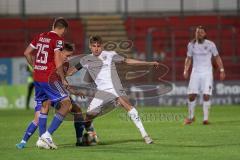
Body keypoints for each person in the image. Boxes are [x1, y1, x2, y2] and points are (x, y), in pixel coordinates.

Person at [68, 35, 160, 144]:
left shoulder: (110, 55)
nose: (96, 48)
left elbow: (128, 61)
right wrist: (59, 74)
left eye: (98, 46)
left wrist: (149, 63)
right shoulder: (85, 59)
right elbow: (71, 71)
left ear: (102, 46)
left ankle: (145, 135)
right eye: (94, 46)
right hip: (101, 93)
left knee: (128, 106)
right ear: (90, 47)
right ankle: (91, 133)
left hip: (115, 89)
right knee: (88, 116)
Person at [16, 42, 88, 149]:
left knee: (77, 110)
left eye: (69, 56)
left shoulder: (64, 64)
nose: (67, 59)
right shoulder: (51, 63)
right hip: (48, 92)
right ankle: (27, 140)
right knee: (38, 117)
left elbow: (65, 79)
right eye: (66, 56)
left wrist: (74, 90)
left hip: (56, 93)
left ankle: (79, 140)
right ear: (59, 53)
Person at [23, 17, 74, 149]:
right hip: (49, 77)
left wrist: (35, 66)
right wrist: (62, 78)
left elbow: (27, 52)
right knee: (67, 104)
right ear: (63, 29)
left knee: (44, 105)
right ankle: (47, 135)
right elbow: (57, 59)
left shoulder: (40, 36)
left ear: (53, 25)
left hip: (37, 77)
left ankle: (41, 140)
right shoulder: (58, 40)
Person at [183, 26, 226, 125]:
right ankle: (190, 117)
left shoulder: (210, 44)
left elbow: (217, 57)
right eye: (197, 32)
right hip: (195, 72)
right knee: (191, 96)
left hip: (207, 73)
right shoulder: (191, 45)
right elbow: (188, 58)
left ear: (205, 34)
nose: (199, 34)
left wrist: (222, 70)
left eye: (201, 32)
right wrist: (185, 70)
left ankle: (205, 119)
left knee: (206, 95)